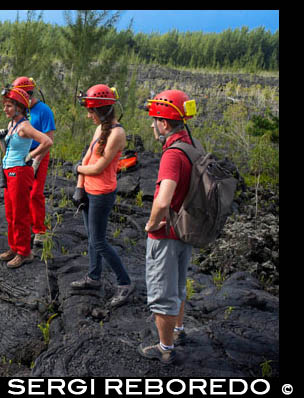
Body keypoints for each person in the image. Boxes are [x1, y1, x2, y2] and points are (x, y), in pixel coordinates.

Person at [137, 89, 196, 365]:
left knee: (163, 293)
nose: (152, 125)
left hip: (167, 233)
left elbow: (164, 197)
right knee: (179, 285)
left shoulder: (172, 155)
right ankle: (179, 330)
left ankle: (165, 348)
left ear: (164, 123)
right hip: (185, 229)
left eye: (154, 119)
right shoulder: (190, 144)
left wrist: (151, 223)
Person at [70, 84, 134, 308]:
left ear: (104, 110)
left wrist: (78, 170)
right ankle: (93, 277)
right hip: (89, 189)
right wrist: (80, 186)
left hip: (102, 193)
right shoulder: (100, 129)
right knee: (91, 237)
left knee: (98, 241)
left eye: (91, 111)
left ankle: (125, 283)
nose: (89, 116)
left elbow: (98, 167)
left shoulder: (117, 133)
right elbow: (87, 158)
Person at [0, 85, 52, 268]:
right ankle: (14, 247)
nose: (5, 109)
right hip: (10, 171)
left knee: (20, 213)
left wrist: (30, 156)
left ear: (19, 107)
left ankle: (24, 252)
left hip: (20, 172)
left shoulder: (25, 126)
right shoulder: (12, 124)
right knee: (11, 213)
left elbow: (47, 141)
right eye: (5, 105)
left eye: (9, 106)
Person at [12, 77, 56, 246]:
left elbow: (49, 139)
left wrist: (36, 160)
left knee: (35, 193)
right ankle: (26, 225)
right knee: (21, 193)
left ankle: (40, 230)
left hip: (39, 154)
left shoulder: (44, 111)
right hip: (21, 154)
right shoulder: (20, 110)